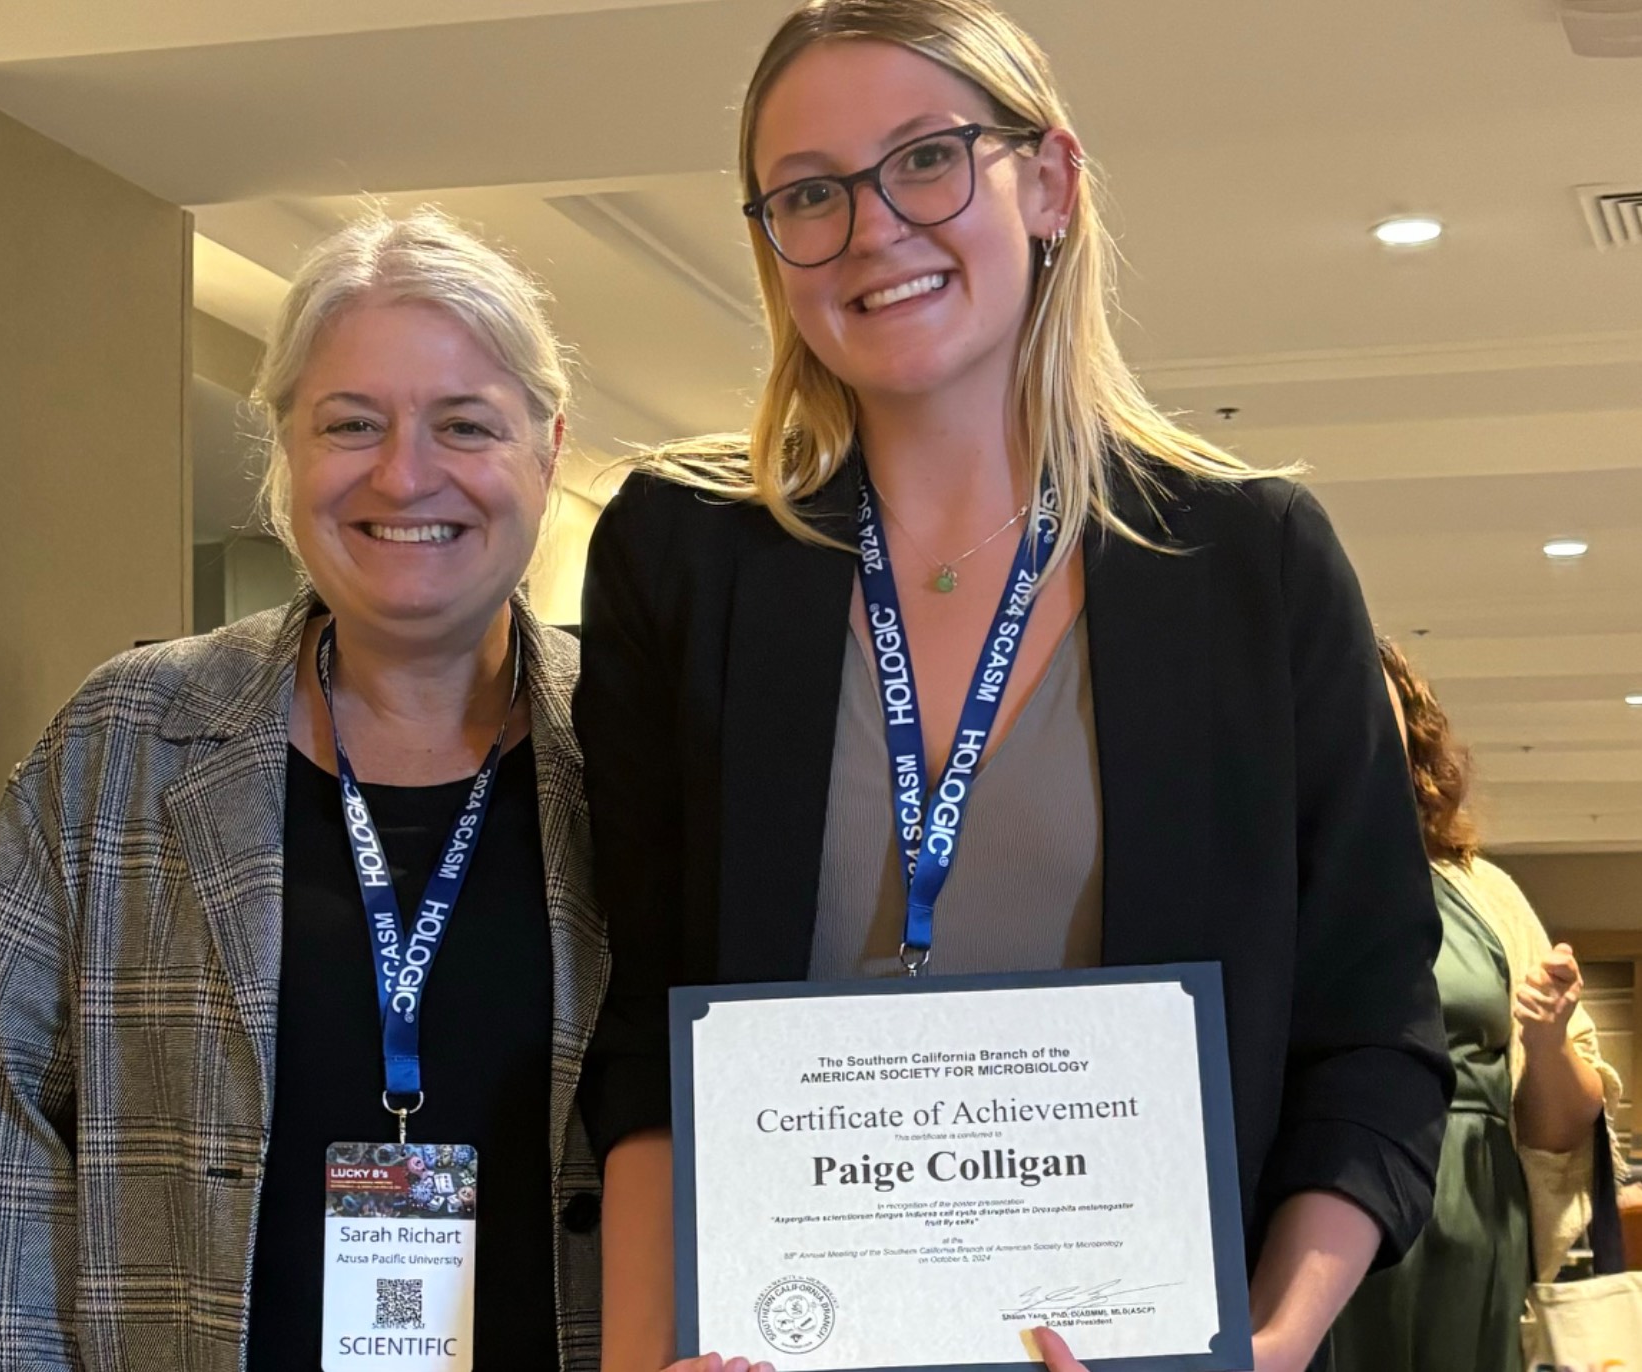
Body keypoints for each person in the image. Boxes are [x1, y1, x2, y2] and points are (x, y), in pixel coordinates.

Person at [572, 2, 1452, 1370]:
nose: (871, 229)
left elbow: (1374, 1039)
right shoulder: (682, 557)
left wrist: (1261, 1349)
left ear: (1047, 182)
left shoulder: (1251, 563)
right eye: (809, 193)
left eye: (925, 159)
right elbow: (644, 1022)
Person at [0, 208, 605, 1371]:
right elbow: (5, 1150)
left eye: (464, 424)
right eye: (351, 423)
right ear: (286, 447)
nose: (405, 473)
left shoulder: (642, 748)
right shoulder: (121, 742)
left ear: (548, 450)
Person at [1328, 639, 1620, 1372]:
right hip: (1316, 1202)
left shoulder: (1482, 892)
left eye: (1371, 700)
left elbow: (1557, 1131)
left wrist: (1547, 1040)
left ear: (1411, 732)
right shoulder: (1257, 886)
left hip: (1473, 1219)